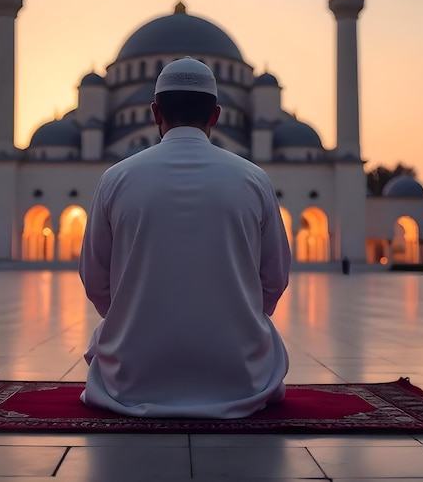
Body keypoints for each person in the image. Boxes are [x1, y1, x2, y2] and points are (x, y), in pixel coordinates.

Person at [79, 57, 291, 419]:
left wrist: (130, 318)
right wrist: (238, 317)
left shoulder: (116, 178)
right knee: (264, 336)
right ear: (216, 116)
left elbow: (95, 279)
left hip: (131, 378)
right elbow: (275, 279)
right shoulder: (254, 178)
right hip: (239, 376)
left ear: (154, 112)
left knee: (107, 337)